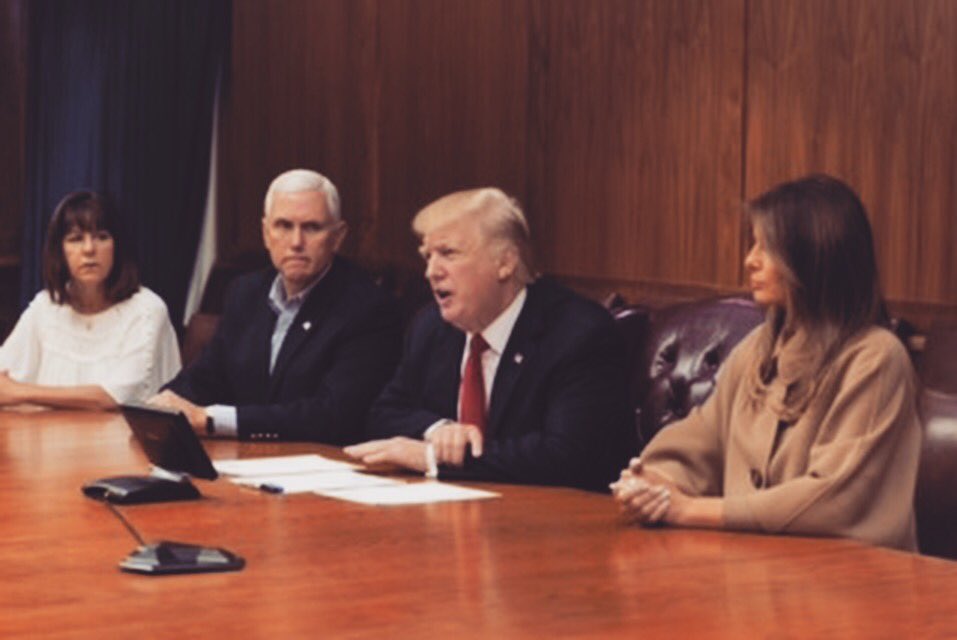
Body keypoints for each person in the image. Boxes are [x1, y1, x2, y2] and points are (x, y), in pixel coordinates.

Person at [612, 174, 921, 550]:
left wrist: (692, 511)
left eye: (766, 248)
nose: (749, 261)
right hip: (756, 574)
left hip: (850, 584)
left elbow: (834, 497)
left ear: (813, 257)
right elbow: (701, 439)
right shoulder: (760, 346)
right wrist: (657, 484)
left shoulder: (877, 358)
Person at [345, 188, 635, 490]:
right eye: (427, 257)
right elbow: (383, 415)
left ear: (505, 263)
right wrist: (438, 430)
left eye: (448, 254)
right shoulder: (431, 327)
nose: (431, 272)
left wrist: (437, 459)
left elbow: (567, 455)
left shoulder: (576, 333)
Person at [153, 169, 401, 443]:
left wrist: (213, 421)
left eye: (312, 227)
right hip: (245, 461)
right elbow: (207, 375)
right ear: (265, 233)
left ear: (338, 236)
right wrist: (165, 404)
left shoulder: (368, 308)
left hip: (321, 465)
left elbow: (333, 414)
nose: (296, 242)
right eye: (283, 226)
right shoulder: (245, 292)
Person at [0, 190, 180, 409]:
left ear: (118, 246)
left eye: (101, 237)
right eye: (75, 239)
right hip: (51, 438)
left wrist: (21, 392)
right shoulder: (46, 306)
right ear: (60, 251)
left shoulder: (147, 310)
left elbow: (113, 398)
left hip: (122, 440)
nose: (89, 249)